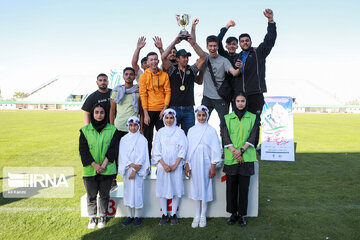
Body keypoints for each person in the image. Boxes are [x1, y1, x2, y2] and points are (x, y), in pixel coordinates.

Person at [235, 9, 277, 148]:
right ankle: (240, 147)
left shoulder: (258, 53)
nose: (245, 43)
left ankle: (252, 147)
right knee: (240, 123)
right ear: (239, 44)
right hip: (240, 96)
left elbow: (270, 40)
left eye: (247, 41)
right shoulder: (237, 57)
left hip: (255, 95)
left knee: (254, 123)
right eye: (242, 41)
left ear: (251, 42)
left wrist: (270, 21)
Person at [79, 103, 121, 229]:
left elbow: (113, 149)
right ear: (92, 114)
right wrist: (95, 165)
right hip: (90, 170)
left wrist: (103, 165)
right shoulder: (85, 131)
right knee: (91, 196)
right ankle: (92, 217)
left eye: (102, 112)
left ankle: (102, 216)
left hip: (107, 169)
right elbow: (83, 151)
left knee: (104, 195)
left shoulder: (113, 130)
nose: (99, 115)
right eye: (96, 112)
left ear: (105, 114)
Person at [221, 92, 260, 227]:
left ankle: (242, 215)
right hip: (232, 158)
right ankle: (232, 214)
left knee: (244, 188)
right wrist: (235, 152)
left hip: (246, 158)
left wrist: (242, 151)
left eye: (243, 101)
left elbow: (253, 136)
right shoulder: (227, 118)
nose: (240, 103)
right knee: (231, 188)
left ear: (246, 102)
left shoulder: (253, 117)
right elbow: (225, 136)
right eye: (238, 101)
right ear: (234, 103)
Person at [162, 31, 206, 135]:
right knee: (172, 135)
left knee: (189, 136)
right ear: (177, 59)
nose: (186, 59)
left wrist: (192, 43)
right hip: (174, 108)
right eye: (183, 57)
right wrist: (175, 42)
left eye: (187, 57)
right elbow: (163, 57)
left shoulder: (191, 70)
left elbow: (203, 57)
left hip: (189, 109)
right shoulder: (172, 70)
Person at [185, 105, 222, 228]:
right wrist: (187, 164)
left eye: (204, 115)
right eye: (199, 115)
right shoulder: (191, 130)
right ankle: (196, 214)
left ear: (207, 116)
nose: (201, 117)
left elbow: (215, 149)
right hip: (194, 162)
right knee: (195, 187)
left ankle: (203, 215)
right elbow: (188, 149)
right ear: (196, 116)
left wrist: (212, 166)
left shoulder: (211, 130)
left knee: (205, 187)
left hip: (206, 162)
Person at [200, 35, 242, 141]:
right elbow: (194, 44)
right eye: (210, 46)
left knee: (224, 125)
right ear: (207, 47)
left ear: (218, 46)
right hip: (207, 98)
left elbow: (234, 72)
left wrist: (239, 69)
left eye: (215, 46)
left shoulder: (224, 60)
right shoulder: (204, 57)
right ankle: (201, 145)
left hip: (221, 99)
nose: (213, 48)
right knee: (201, 122)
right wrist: (193, 28)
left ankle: (225, 147)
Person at [152, 108, 188, 225]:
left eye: (171, 118)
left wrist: (175, 165)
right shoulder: (160, 132)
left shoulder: (179, 132)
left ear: (175, 118)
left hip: (176, 166)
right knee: (163, 189)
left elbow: (183, 149)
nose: (169, 120)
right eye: (166, 118)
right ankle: (164, 214)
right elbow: (156, 150)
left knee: (176, 188)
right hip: (163, 166)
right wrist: (163, 165)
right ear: (163, 119)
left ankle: (173, 214)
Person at [139, 52, 171, 160]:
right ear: (147, 62)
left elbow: (168, 92)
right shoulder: (143, 77)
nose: (153, 62)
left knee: (163, 139)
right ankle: (147, 164)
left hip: (162, 111)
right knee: (147, 139)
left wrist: (164, 110)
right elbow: (143, 95)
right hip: (149, 111)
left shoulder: (164, 75)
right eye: (151, 60)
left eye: (155, 59)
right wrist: (146, 114)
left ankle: (162, 163)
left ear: (158, 61)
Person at [118, 116, 150, 227]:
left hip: (138, 171)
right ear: (128, 126)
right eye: (131, 125)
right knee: (128, 192)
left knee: (137, 192)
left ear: (139, 126)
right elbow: (123, 155)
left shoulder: (142, 139)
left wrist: (135, 170)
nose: (133, 128)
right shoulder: (124, 139)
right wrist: (131, 167)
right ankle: (129, 215)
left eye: (135, 125)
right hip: (127, 170)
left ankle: (137, 216)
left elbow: (143, 156)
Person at [109, 67, 140, 135]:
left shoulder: (138, 91)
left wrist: (142, 127)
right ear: (123, 76)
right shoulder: (117, 91)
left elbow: (141, 111)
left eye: (131, 74)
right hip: (119, 126)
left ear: (134, 76)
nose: (128, 76)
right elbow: (112, 110)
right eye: (126, 74)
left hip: (134, 126)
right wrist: (112, 126)